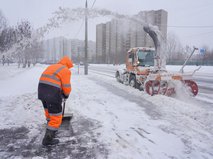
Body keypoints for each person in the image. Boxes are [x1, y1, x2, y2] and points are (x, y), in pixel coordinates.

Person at [38, 56, 73, 146]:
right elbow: (66, 86)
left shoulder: (52, 66)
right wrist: (66, 95)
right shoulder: (65, 70)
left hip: (42, 91)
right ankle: (48, 139)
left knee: (49, 112)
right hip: (52, 93)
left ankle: (50, 129)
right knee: (56, 116)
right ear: (68, 64)